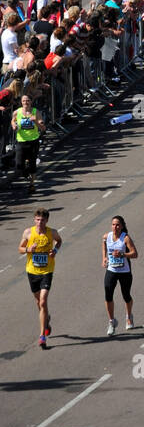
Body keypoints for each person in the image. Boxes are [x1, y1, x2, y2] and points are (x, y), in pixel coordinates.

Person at [19, 206, 62, 348]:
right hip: (32, 271)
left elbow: (59, 241)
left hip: (47, 271)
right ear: (34, 220)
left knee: (43, 301)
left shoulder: (52, 232)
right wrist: (27, 249)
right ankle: (46, 320)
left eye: (42, 220)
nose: (40, 223)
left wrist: (54, 250)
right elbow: (20, 249)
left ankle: (42, 336)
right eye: (37, 220)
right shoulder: (28, 233)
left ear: (47, 220)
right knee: (39, 303)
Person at [102, 214, 137, 335]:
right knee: (108, 295)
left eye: (117, 225)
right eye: (113, 224)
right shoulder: (107, 236)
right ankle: (111, 322)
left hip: (124, 272)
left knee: (126, 295)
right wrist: (104, 258)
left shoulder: (125, 238)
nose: (115, 227)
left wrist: (122, 255)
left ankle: (128, 316)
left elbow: (135, 254)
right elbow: (104, 243)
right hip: (111, 270)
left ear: (122, 226)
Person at [13, 93, 45, 194]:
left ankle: (31, 184)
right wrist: (13, 125)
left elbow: (43, 128)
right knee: (19, 164)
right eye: (24, 101)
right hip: (21, 141)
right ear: (21, 102)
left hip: (33, 141)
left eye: (28, 100)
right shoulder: (16, 112)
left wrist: (35, 121)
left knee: (32, 164)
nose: (26, 102)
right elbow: (12, 121)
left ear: (31, 102)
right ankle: (26, 173)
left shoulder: (36, 112)